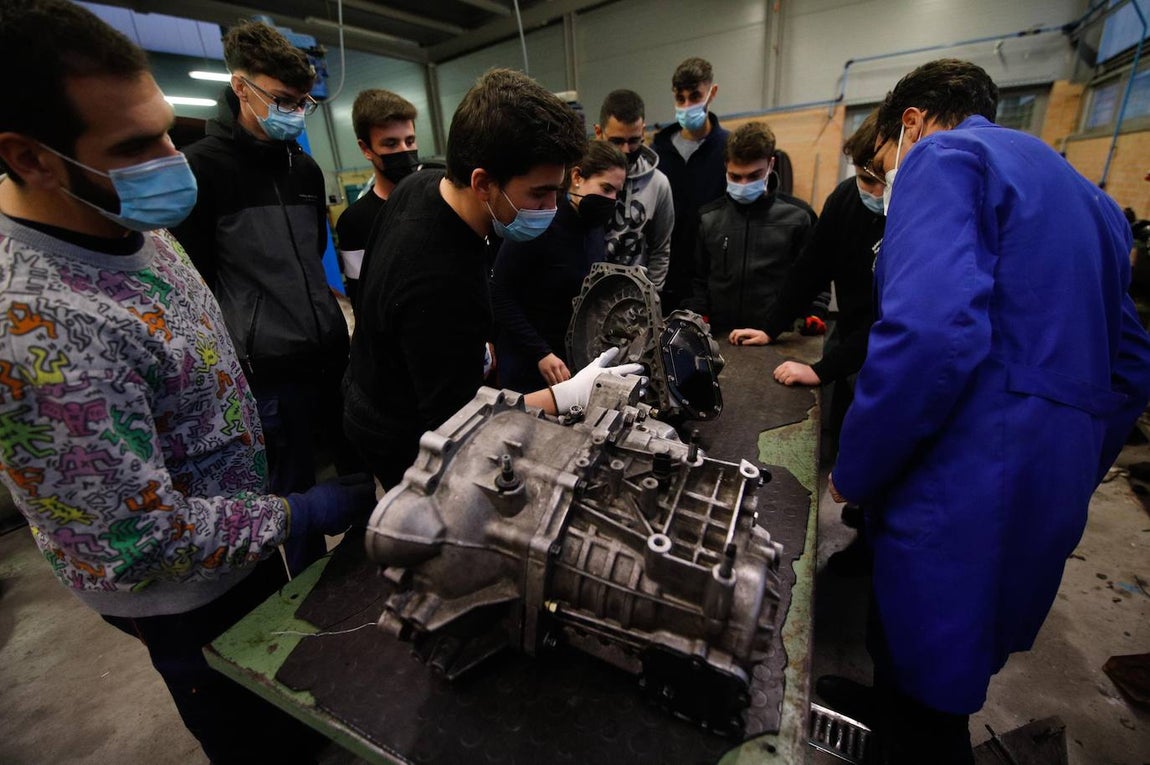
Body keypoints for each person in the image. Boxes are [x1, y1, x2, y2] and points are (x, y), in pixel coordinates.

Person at [0, 2, 376, 761]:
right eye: (136, 144)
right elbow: (137, 543)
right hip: (183, 593)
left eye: (166, 128)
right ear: (31, 157)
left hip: (237, 533)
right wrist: (296, 511)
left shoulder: (119, 216)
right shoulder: (30, 329)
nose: (172, 158)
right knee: (256, 734)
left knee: (293, 690)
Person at [826, 59, 1150, 763]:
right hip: (1050, 482)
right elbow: (1131, 366)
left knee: (927, 681)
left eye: (883, 163)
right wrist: (1066, 457)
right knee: (955, 659)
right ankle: (890, 717)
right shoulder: (1088, 197)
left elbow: (929, 334)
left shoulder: (946, 156)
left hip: (963, 478)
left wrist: (857, 467)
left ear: (908, 123)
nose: (884, 182)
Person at [343, 68, 642, 489]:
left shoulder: (423, 184)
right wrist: (567, 396)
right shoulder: (441, 282)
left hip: (374, 383)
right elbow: (459, 428)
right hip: (400, 435)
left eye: (556, 191)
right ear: (483, 182)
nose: (552, 207)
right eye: (539, 193)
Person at [171, 21, 359, 573]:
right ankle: (300, 609)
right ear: (240, 87)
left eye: (303, 103)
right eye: (282, 100)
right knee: (295, 502)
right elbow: (197, 281)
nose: (294, 112)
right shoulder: (202, 169)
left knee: (352, 483)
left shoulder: (304, 167)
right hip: (270, 371)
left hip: (330, 354)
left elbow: (311, 255)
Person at [729, 111, 885, 430]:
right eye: (866, 180)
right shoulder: (844, 198)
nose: (877, 193)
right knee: (839, 418)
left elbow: (890, 317)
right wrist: (771, 327)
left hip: (889, 342)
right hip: (851, 329)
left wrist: (820, 370)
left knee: (873, 426)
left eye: (885, 182)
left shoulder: (911, 212)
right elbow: (811, 267)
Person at [491, 141, 627, 392]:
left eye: (617, 192)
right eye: (606, 188)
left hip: (569, 365)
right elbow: (499, 294)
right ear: (577, 176)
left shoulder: (594, 227)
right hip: (529, 364)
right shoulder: (541, 222)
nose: (611, 200)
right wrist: (540, 352)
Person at [682, 121, 817, 334]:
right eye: (736, 176)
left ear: (770, 164)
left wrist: (814, 311)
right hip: (719, 334)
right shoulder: (708, 218)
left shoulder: (799, 217)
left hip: (775, 334)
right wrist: (698, 312)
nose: (744, 184)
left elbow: (813, 275)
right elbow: (697, 277)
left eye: (754, 176)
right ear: (726, 165)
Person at [653, 57, 730, 310]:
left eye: (695, 96)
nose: (687, 105)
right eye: (680, 98)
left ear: (712, 92)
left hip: (711, 278)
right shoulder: (657, 152)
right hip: (665, 276)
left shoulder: (728, 149)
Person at [336, 88, 419, 307]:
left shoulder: (440, 201)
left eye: (409, 141)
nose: (404, 151)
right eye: (391, 144)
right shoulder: (354, 222)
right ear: (366, 149)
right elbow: (362, 300)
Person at [594, 89, 672, 291]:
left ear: (643, 132)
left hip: (635, 298)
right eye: (617, 141)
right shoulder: (582, 179)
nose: (626, 150)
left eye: (634, 140)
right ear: (598, 133)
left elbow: (660, 249)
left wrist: (651, 299)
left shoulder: (658, 184)